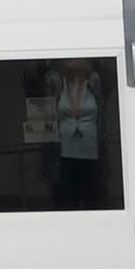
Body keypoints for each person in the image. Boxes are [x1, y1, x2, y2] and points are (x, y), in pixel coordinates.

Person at [49, 59, 105, 209]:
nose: (74, 60)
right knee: (67, 202)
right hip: (63, 154)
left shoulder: (94, 81)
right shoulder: (57, 82)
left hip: (91, 152)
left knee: (91, 201)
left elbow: (101, 110)